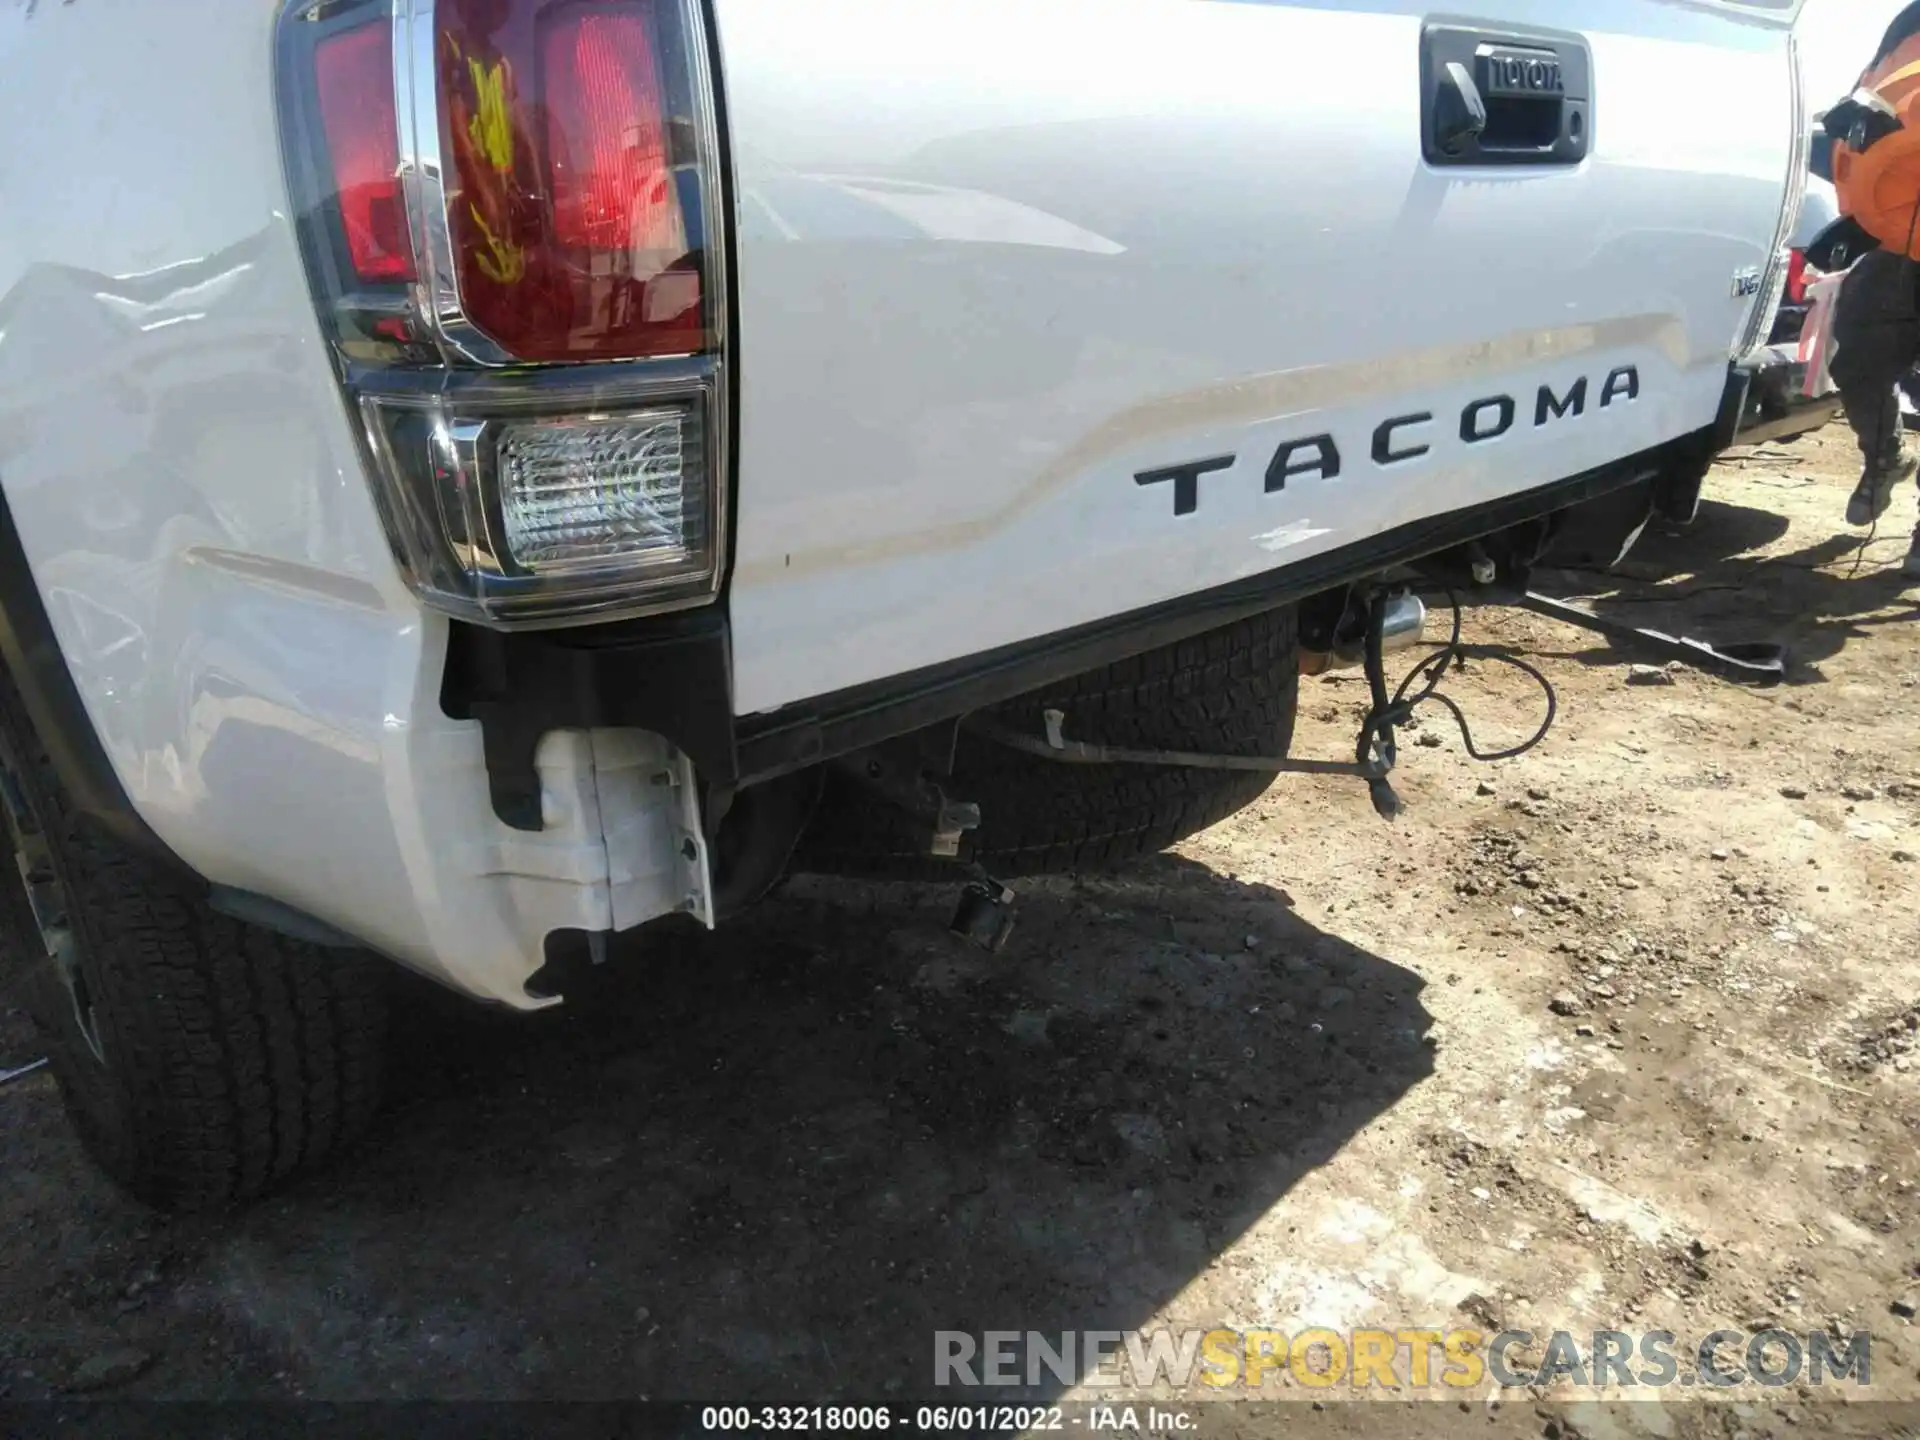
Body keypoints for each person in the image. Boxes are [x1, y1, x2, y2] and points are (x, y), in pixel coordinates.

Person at [1827, 1, 1920, 572]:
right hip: (1897, 229)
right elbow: (1868, 102)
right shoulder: (1907, 23)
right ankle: (1885, 457)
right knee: (1856, 354)